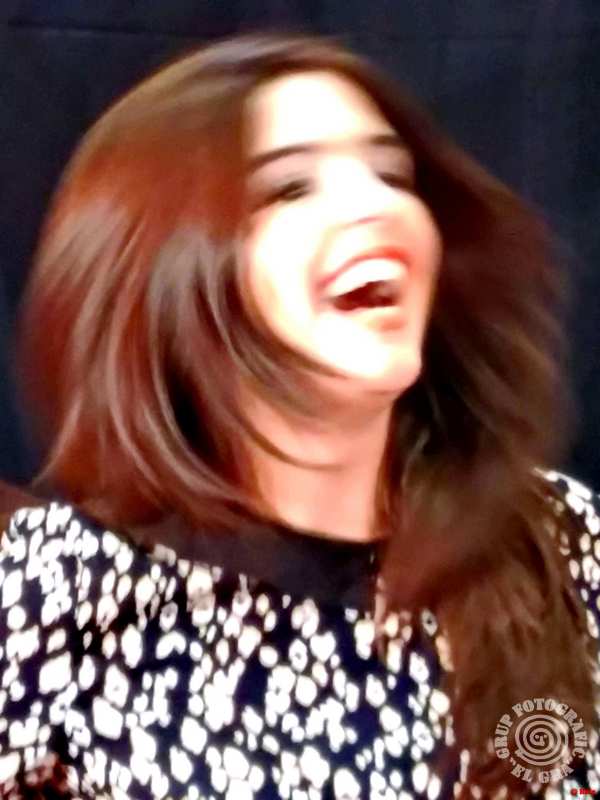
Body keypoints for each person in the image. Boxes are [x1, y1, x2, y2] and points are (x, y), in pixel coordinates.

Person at [1, 31, 599, 800]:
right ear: (163, 272)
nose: (377, 205)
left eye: (392, 174)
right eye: (289, 189)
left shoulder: (554, 540)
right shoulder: (56, 592)